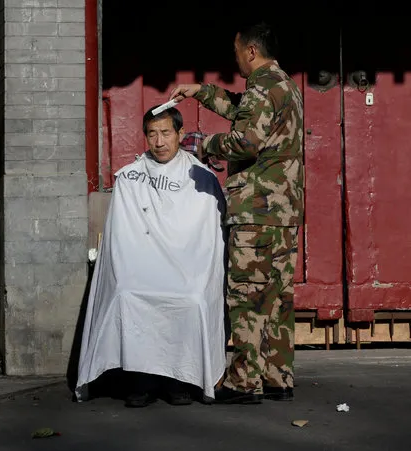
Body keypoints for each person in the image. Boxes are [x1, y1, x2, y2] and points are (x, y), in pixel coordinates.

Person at [169, 21, 304, 404]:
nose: (235, 58)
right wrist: (203, 93)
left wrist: (202, 144)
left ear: (250, 51)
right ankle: (278, 377)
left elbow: (246, 141)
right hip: (283, 212)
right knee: (276, 297)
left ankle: (243, 382)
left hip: (257, 211)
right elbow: (245, 112)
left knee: (246, 296)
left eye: (236, 51)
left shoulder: (262, 85)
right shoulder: (285, 86)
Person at [75, 106, 227, 407]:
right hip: (141, 266)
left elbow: (209, 237)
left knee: (192, 297)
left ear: (180, 135)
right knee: (127, 292)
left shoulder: (202, 178)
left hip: (187, 267)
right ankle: (141, 381)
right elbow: (121, 236)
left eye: (166, 133)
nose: (159, 142)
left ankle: (179, 380)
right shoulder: (131, 177)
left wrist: (190, 267)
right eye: (152, 134)